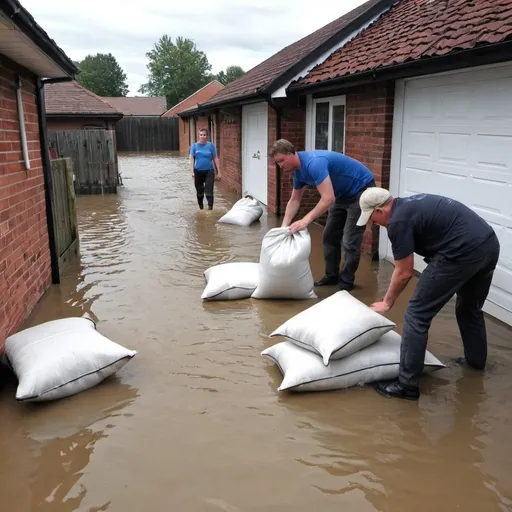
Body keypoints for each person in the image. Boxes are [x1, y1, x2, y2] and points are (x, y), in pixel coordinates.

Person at [356, 187, 500, 400]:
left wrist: (387, 302)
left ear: (380, 210)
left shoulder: (397, 222)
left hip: (461, 251)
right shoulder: (408, 205)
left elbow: (404, 272)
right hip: (488, 244)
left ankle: (406, 386)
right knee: (470, 308)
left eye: (372, 219)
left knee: (416, 314)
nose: (374, 224)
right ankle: (476, 363)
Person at [270, 139, 375, 291]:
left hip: (361, 190)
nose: (280, 166)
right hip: (340, 194)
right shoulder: (298, 173)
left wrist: (305, 220)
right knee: (329, 236)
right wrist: (283, 227)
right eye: (277, 163)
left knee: (349, 241)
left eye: (282, 160)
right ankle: (332, 277)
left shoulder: (314, 163)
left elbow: (328, 198)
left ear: (292, 153)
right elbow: (294, 200)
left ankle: (346, 284)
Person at [189, 128, 221, 210]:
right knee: (200, 192)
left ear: (207, 136)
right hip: (198, 171)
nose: (202, 136)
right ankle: (201, 208)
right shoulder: (194, 146)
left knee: (209, 191)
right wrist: (192, 172)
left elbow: (215, 158)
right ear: (198, 135)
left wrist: (219, 172)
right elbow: (191, 159)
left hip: (209, 171)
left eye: (204, 135)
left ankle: (210, 209)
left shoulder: (211, 146)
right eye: (201, 135)